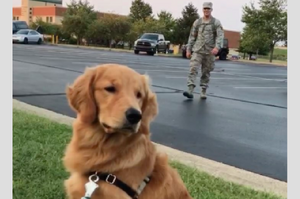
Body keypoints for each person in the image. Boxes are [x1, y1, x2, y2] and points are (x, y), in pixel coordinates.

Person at [183, 2, 224, 99]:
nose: (206, 10)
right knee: (193, 68)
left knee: (206, 71)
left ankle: (203, 91)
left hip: (209, 51)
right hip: (198, 50)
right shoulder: (197, 22)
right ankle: (190, 90)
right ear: (202, 9)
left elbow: (220, 36)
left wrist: (217, 47)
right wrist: (189, 49)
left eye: (208, 9)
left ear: (211, 10)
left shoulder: (216, 23)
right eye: (205, 8)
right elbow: (192, 36)